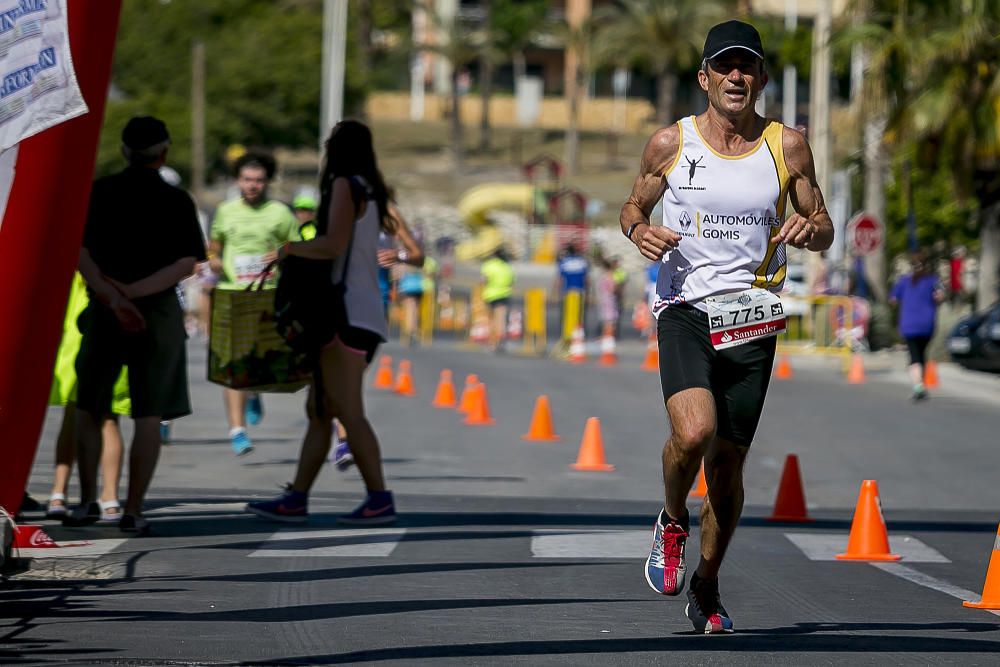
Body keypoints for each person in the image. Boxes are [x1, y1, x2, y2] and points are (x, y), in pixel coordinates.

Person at [619, 21, 833, 634]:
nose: (737, 76)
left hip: (753, 316)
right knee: (694, 433)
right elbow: (633, 206)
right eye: (725, 66)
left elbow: (821, 224)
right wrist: (640, 230)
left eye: (748, 67)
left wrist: (807, 230)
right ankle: (671, 519)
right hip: (685, 308)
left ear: (761, 79)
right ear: (704, 77)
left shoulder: (786, 147)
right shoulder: (671, 142)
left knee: (729, 469)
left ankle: (707, 588)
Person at [246, 119, 396, 525]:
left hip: (346, 312)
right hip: (360, 311)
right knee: (319, 409)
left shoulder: (346, 186)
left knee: (347, 409)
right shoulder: (371, 188)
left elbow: (333, 244)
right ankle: (296, 498)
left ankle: (379, 497)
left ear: (335, 148)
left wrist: (288, 249)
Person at [72, 116, 206, 535]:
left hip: (104, 307)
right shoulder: (177, 200)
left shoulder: (99, 192)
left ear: (124, 150)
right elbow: (188, 262)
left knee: (91, 406)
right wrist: (138, 291)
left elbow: (79, 250)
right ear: (163, 152)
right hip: (158, 311)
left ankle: (88, 500)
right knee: (149, 414)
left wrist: (113, 295)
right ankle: (133, 508)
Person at [208, 151, 299, 455]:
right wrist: (215, 261)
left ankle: (254, 393)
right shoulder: (225, 211)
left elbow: (299, 249)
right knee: (234, 365)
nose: (253, 186)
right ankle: (237, 430)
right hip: (232, 293)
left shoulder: (281, 214)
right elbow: (214, 246)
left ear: (267, 182)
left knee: (257, 363)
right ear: (238, 181)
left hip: (266, 294)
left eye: (259, 181)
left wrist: (284, 253)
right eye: (247, 180)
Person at [47, 272, 131, 525]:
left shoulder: (81, 252)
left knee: (80, 414)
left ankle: (63, 493)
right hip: (113, 315)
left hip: (82, 321)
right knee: (107, 419)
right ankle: (109, 499)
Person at [890, 250, 945, 400]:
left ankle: (918, 386)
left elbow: (893, 300)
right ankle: (921, 383)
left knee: (913, 356)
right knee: (922, 354)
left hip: (909, 324)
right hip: (927, 324)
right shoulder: (932, 280)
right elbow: (940, 296)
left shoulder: (904, 281)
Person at [480, 247, 515, 352]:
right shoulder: (507, 266)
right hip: (504, 295)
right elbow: (512, 281)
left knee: (492, 320)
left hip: (490, 295)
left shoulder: (489, 265)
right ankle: (501, 342)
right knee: (501, 320)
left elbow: (484, 280)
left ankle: (492, 343)